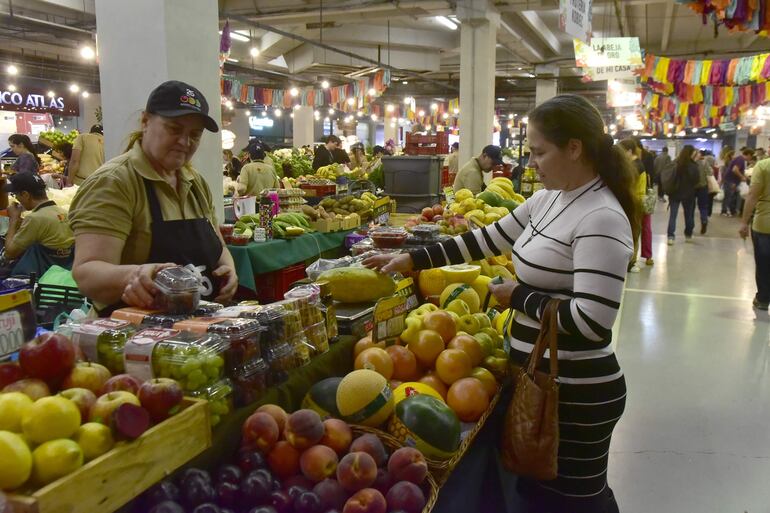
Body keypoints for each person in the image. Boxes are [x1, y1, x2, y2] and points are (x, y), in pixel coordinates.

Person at [365, 94, 636, 513]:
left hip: (576, 395)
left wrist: (520, 297)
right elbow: (484, 240)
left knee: (574, 502)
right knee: (537, 495)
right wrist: (413, 257)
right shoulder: (550, 201)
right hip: (541, 382)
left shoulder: (601, 217)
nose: (532, 163)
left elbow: (592, 323)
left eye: (539, 152)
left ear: (575, 148)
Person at [68, 80, 238, 314]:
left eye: (194, 135)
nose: (184, 142)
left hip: (194, 330)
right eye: (175, 129)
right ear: (146, 121)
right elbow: (86, 274)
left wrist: (227, 266)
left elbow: (217, 245)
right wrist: (134, 275)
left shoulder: (194, 182)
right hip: (136, 337)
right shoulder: (115, 182)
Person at [2, 173, 74, 276]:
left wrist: (13, 220)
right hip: (65, 269)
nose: (17, 199)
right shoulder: (63, 212)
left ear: (25, 195)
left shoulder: (34, 218)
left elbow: (10, 253)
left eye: (16, 194)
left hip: (44, 272)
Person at [739, 156, 770, 311]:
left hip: (765, 222)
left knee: (764, 263)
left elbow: (752, 195)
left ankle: (763, 299)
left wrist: (744, 222)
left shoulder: (763, 166)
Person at [620, 139, 652, 270]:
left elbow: (627, 185)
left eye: (622, 151)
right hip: (634, 202)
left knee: (634, 233)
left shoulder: (636, 166)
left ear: (629, 151)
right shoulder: (634, 164)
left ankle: (631, 262)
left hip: (635, 204)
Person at [666, 145, 700, 245]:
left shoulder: (676, 164)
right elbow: (696, 180)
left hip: (675, 193)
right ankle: (688, 235)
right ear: (692, 153)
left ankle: (670, 236)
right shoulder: (693, 166)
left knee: (673, 216)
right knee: (689, 216)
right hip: (689, 194)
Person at [695, 150, 715, 234]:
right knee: (703, 207)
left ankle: (690, 226)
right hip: (703, 187)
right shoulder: (704, 163)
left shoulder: (692, 163)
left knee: (690, 208)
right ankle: (704, 220)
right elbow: (710, 173)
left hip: (692, 188)